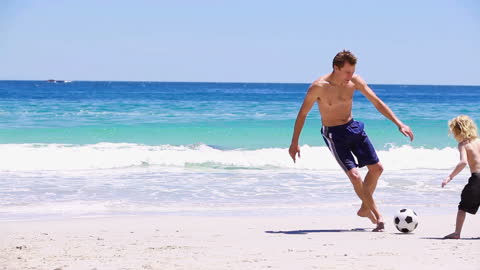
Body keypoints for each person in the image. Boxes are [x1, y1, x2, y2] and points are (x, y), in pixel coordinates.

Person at [288, 50, 414, 232]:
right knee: (355, 176)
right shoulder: (319, 87)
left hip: (353, 127)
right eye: (347, 72)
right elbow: (303, 114)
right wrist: (294, 143)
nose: (350, 76)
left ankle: (364, 207)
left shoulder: (354, 81)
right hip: (334, 135)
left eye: (352, 71)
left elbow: (376, 101)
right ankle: (378, 217)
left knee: (377, 169)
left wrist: (399, 123)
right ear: (336, 68)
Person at [442, 115, 480, 239]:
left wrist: (449, 177)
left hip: (477, 179)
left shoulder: (463, 145)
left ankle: (457, 233)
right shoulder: (479, 141)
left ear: (457, 131)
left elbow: (463, 162)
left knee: (463, 206)